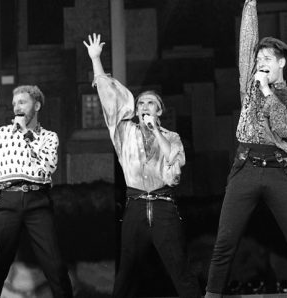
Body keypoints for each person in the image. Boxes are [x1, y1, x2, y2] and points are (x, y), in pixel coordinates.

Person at [204, 0, 287, 297]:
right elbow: (246, 45)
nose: (260, 62)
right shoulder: (249, 85)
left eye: (268, 58)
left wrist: (268, 93)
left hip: (279, 171)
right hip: (244, 167)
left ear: (281, 64)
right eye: (259, 58)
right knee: (224, 244)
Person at [84, 33, 200, 298]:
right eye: (141, 103)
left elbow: (175, 171)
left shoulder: (171, 137)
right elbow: (108, 99)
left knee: (180, 270)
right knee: (126, 274)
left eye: (150, 103)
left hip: (164, 208)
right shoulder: (125, 132)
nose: (144, 106)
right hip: (135, 207)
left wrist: (156, 132)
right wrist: (96, 60)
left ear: (159, 111)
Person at [0, 85, 73, 298]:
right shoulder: (1, 134)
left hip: (37, 201)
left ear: (36, 105)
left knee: (56, 268)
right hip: (8, 200)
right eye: (14, 103)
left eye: (22, 102)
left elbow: (48, 167)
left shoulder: (49, 137)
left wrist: (26, 135)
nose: (16, 107)